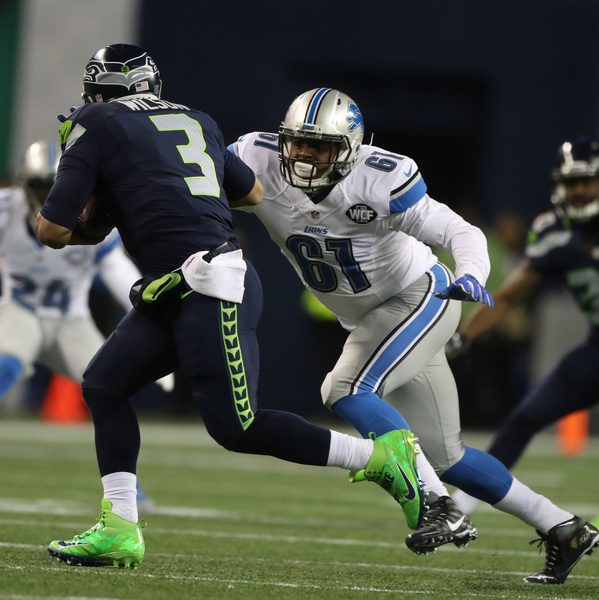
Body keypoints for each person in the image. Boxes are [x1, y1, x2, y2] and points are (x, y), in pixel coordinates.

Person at [36, 44, 429, 569]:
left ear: (95, 90)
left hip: (209, 281)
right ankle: (120, 527)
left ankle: (379, 456)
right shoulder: (196, 118)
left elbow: (52, 231)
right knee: (104, 384)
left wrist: (98, 194)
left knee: (236, 428)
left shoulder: (94, 123)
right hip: (175, 282)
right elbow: (252, 192)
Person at [228, 88, 599, 583]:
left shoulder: (379, 179)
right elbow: (195, 187)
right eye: (297, 143)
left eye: (320, 146)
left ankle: (439, 507)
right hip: (373, 320)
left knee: (344, 387)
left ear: (351, 149)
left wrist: (472, 273)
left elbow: (461, 232)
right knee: (448, 457)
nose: (304, 156)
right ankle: (563, 527)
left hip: (420, 297)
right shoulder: (255, 159)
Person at [445, 135, 599, 531]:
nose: (578, 191)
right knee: (524, 418)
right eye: (571, 182)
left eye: (586, 181)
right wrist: (465, 336)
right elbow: (510, 296)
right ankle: (461, 508)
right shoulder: (553, 231)